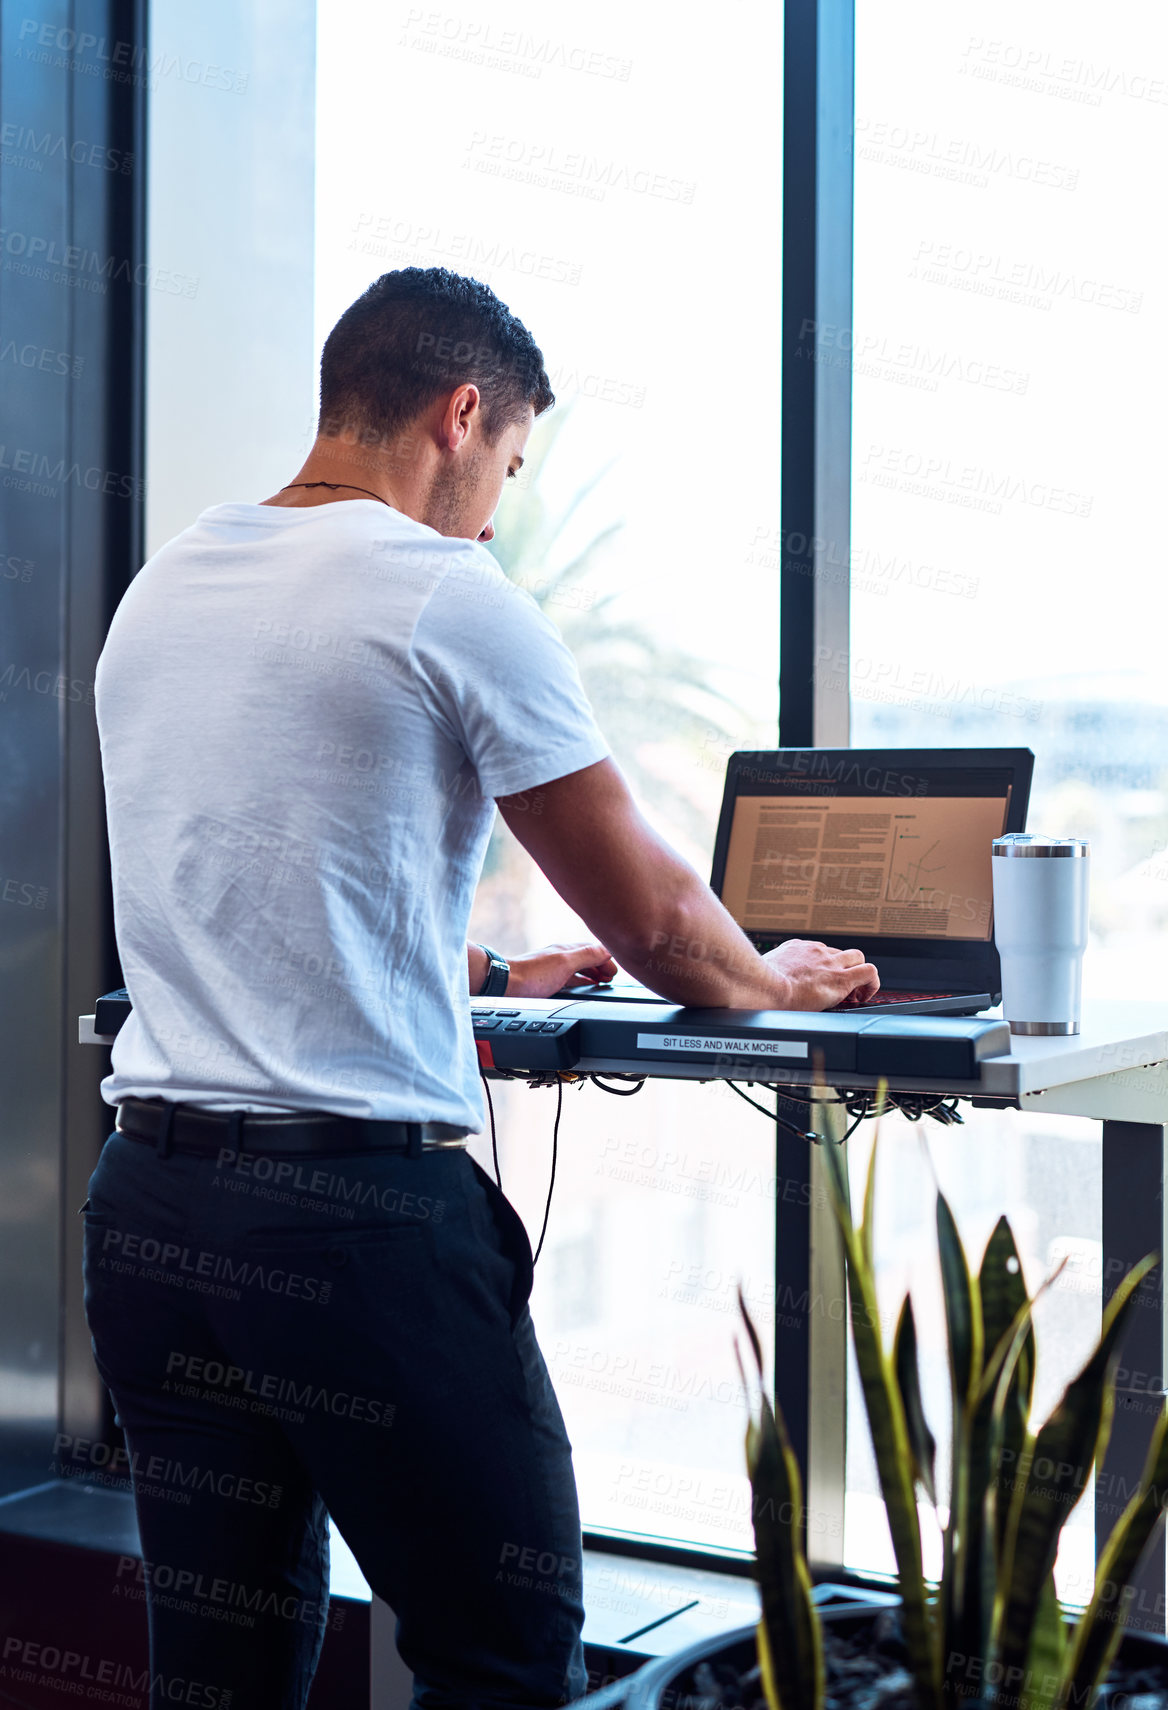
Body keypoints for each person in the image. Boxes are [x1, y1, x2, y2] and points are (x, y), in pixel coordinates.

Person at [83, 267, 879, 1710]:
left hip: (151, 1214)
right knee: (506, 1659)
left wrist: (499, 975)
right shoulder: (445, 593)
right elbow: (654, 921)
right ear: (463, 415)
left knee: (219, 1676)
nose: (500, 506)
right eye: (508, 463)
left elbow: (253, 899)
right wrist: (776, 976)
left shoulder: (165, 586)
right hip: (353, 1229)